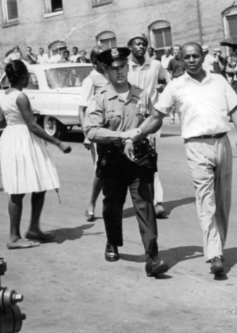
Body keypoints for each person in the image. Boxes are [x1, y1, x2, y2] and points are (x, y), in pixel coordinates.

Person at [132, 42, 237, 275]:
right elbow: (157, 116)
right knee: (206, 200)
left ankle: (217, 247)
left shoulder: (219, 80)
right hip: (195, 146)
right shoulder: (175, 86)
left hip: (222, 142)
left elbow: (235, 109)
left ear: (203, 56)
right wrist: (135, 135)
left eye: (196, 56)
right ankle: (215, 254)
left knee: (223, 200)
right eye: (187, 57)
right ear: (181, 60)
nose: (192, 60)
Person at [82, 47, 169, 277]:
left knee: (145, 206)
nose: (119, 72)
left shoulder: (141, 95)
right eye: (113, 68)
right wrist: (122, 136)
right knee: (113, 205)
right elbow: (91, 131)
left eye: (122, 66)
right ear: (105, 71)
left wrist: (138, 133)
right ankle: (112, 242)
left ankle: (152, 257)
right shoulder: (99, 99)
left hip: (139, 158)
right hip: (112, 159)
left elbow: (155, 120)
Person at [0, 60, 71, 249]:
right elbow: (32, 125)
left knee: (39, 183)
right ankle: (14, 237)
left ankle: (33, 229)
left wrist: (17, 121)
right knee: (18, 189)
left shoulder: (6, 94)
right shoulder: (21, 97)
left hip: (11, 138)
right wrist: (57, 142)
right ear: (24, 77)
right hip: (22, 140)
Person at [127, 35, 170, 217]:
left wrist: (161, 90)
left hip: (151, 119)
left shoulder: (155, 65)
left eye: (144, 44)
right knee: (128, 159)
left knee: (151, 157)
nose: (141, 46)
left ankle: (156, 201)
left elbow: (166, 81)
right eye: (137, 44)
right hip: (129, 118)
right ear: (130, 47)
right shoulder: (124, 66)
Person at [79, 46, 109, 222]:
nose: (105, 62)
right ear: (94, 61)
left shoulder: (112, 73)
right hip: (97, 129)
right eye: (101, 59)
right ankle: (91, 203)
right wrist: (86, 134)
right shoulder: (90, 80)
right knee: (101, 169)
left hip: (115, 127)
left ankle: (110, 204)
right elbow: (82, 109)